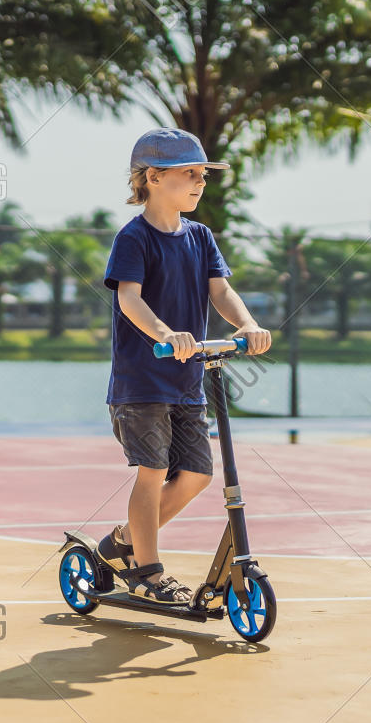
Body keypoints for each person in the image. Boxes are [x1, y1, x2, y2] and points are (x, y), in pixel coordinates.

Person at [98, 128, 271, 604]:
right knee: (152, 470)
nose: (199, 182)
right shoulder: (134, 238)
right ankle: (147, 572)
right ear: (153, 177)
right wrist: (165, 334)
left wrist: (247, 324)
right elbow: (129, 298)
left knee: (196, 474)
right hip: (141, 383)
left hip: (187, 381)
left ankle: (122, 543)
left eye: (203, 176)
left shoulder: (200, 236)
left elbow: (221, 291)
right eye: (189, 174)